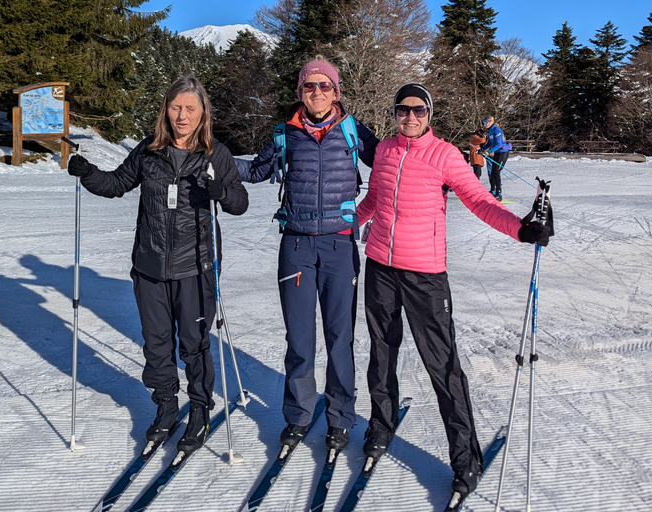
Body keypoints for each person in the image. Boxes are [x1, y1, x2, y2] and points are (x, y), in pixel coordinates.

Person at [355, 83, 552, 503]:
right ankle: (381, 426)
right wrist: (346, 223)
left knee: (443, 365)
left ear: (429, 114)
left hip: (425, 275)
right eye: (403, 110)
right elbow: (374, 199)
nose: (410, 117)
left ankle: (465, 459)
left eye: (418, 110)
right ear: (394, 113)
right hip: (379, 268)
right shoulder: (385, 151)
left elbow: (479, 200)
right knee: (381, 353)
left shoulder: (444, 155)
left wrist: (520, 229)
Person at [66, 76, 249, 456]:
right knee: (156, 344)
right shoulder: (149, 151)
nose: (182, 115)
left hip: (195, 267)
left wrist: (221, 192)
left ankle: (199, 408)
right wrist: (88, 173)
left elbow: (239, 202)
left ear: (202, 114)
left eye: (190, 108)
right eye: (176, 107)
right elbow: (116, 184)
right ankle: (166, 405)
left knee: (195, 344)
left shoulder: (215, 154)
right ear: (166, 110)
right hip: (149, 265)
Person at [235, 56, 379, 453]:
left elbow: (388, 161)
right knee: (299, 338)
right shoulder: (285, 134)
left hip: (339, 246)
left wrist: (433, 168)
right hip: (296, 245)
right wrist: (211, 158)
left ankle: (340, 418)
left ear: (336, 92)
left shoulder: (352, 130)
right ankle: (298, 415)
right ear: (300, 92)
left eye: (324, 85)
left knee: (339, 338)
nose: (317, 92)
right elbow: (256, 171)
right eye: (309, 86)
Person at [480, 115, 510, 201]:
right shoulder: (491, 131)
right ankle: (492, 190)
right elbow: (490, 142)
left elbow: (499, 144)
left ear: (491, 122)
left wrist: (489, 151)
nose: (485, 124)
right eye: (484, 123)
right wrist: (483, 149)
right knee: (493, 172)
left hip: (503, 153)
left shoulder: (497, 130)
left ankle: (499, 193)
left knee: (496, 172)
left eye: (486, 122)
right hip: (497, 153)